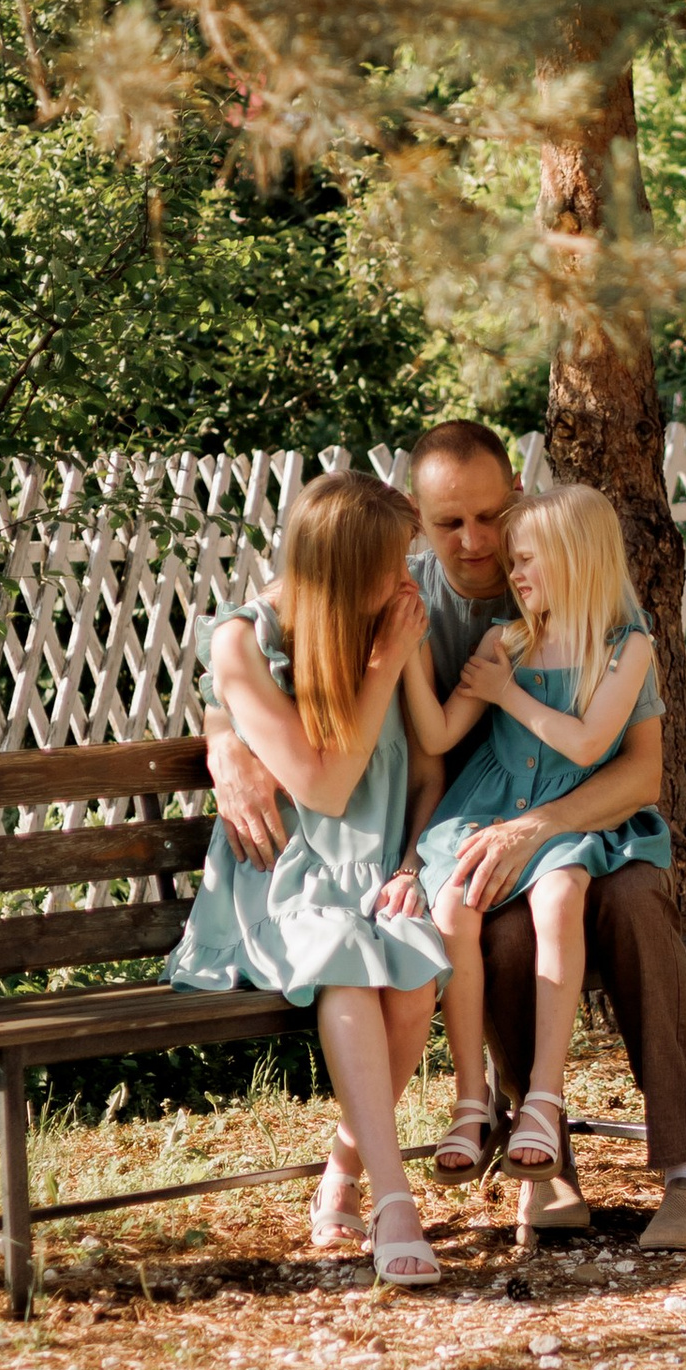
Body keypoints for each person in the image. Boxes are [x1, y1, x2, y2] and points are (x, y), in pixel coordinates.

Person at [204, 420, 686, 1248]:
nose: (478, 543)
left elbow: (637, 772)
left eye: (491, 519)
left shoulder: (587, 601)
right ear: (419, 515)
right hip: (466, 839)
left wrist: (540, 826)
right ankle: (543, 1164)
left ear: (517, 501)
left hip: (586, 826)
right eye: (449, 523)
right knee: (507, 929)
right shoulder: (397, 587)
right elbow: (276, 626)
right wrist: (221, 732)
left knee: (633, 905)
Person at [165, 470, 451, 1289]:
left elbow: (428, 774)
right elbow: (322, 788)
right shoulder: (245, 645)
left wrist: (408, 865)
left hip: (375, 868)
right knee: (351, 971)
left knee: (412, 980)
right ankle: (394, 1199)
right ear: (343, 570)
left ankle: (342, 1172)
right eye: (394, 565)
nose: (409, 582)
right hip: (282, 879)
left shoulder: (393, 620)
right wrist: (382, 666)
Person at [406, 485, 671, 1177]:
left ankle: (545, 1097)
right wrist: (407, 654)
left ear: (575, 561)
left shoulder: (626, 647)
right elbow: (438, 732)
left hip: (564, 812)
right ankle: (471, 1101)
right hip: (486, 809)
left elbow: (587, 747)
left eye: (527, 561)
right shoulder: (505, 639)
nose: (512, 573)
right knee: (454, 908)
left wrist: (507, 694)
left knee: (559, 901)